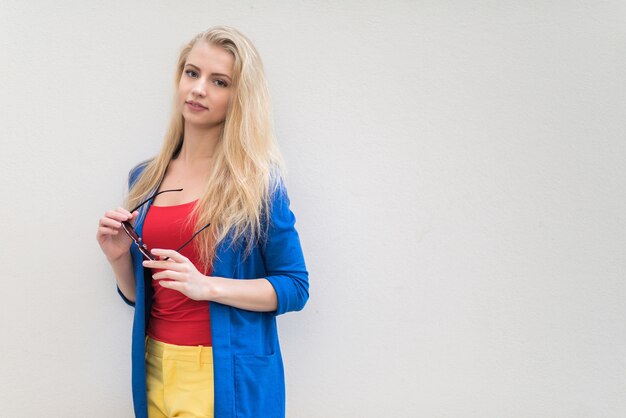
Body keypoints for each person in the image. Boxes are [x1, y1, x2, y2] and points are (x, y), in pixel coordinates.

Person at [96, 26, 309, 418]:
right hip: (154, 365)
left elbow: (295, 287)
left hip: (224, 372)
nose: (198, 89)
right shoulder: (145, 178)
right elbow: (137, 296)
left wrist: (207, 286)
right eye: (191, 73)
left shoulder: (257, 184)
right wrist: (117, 258)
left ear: (239, 97)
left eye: (219, 81)